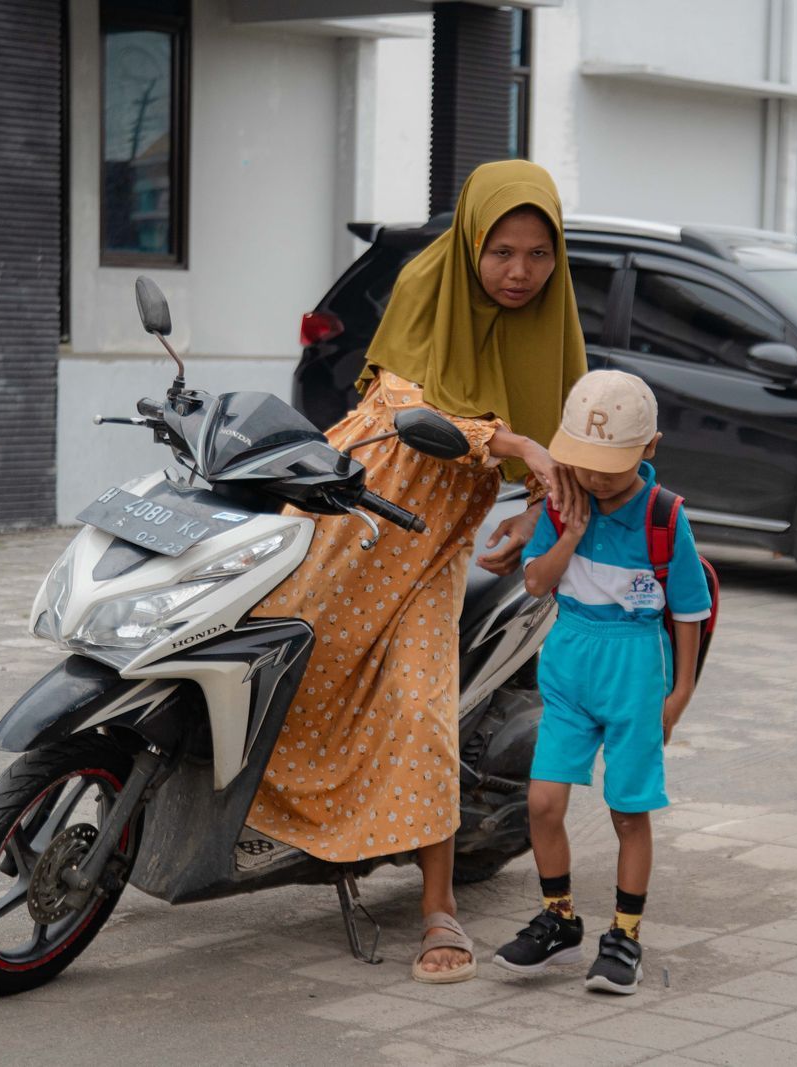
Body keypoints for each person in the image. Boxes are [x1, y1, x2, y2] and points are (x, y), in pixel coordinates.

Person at [240, 161, 589, 984]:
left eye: (539, 254)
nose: (519, 271)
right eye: (502, 250)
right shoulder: (425, 281)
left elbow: (567, 445)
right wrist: (514, 445)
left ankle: (439, 907)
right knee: (263, 661)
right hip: (346, 517)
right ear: (472, 241)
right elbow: (401, 398)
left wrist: (536, 509)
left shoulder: (551, 326)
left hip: (431, 552)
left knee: (419, 709)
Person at [492, 370, 711, 995]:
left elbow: (689, 609)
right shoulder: (563, 502)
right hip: (569, 663)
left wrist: (682, 692)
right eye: (585, 463)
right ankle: (560, 921)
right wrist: (575, 529)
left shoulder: (665, 516)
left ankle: (625, 935)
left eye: (611, 468)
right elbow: (536, 582)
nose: (595, 478)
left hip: (636, 669)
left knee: (628, 810)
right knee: (542, 803)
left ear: (649, 449)